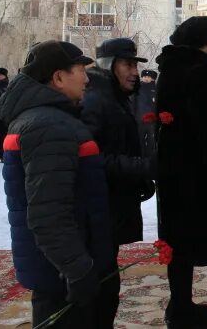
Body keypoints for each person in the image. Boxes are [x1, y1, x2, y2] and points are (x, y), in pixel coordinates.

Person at [0, 40, 118, 328]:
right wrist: (77, 269)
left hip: (64, 264)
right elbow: (48, 211)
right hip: (62, 273)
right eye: (80, 70)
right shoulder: (49, 126)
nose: (87, 78)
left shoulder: (52, 119)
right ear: (59, 77)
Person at [155, 16, 207, 328]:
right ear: (203, 44)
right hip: (194, 171)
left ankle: (180, 303)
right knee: (187, 241)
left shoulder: (171, 67)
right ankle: (181, 312)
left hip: (173, 167)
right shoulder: (198, 72)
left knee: (178, 241)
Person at [81, 37, 156, 314]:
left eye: (135, 65)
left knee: (108, 279)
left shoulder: (113, 95)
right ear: (110, 66)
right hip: (99, 207)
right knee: (102, 283)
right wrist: (141, 167)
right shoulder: (95, 99)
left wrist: (139, 178)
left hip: (111, 202)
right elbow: (90, 158)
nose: (135, 72)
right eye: (128, 64)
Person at [134, 69, 158, 157]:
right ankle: (141, 157)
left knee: (151, 142)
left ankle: (150, 159)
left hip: (152, 120)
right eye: (144, 77)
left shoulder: (156, 89)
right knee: (140, 140)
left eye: (148, 77)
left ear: (152, 79)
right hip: (140, 119)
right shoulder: (137, 88)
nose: (146, 78)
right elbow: (133, 103)